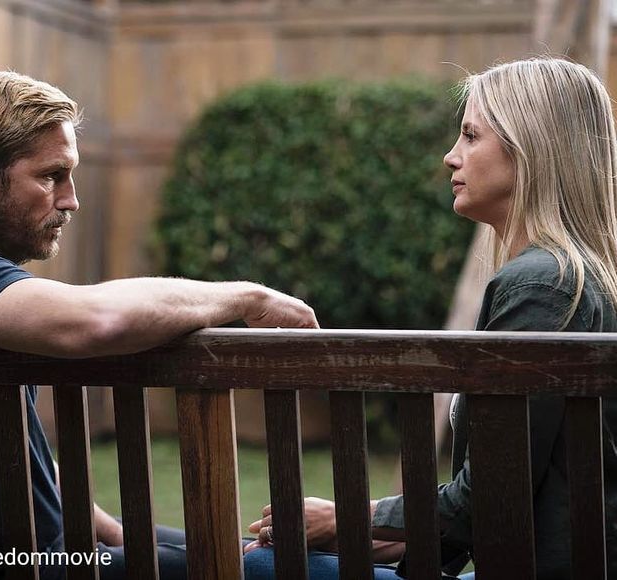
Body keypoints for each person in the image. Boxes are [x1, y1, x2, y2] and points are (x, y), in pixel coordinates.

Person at [0, 70, 319, 580]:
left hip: (46, 554)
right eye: (51, 176)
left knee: (265, 551)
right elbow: (97, 320)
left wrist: (116, 533)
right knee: (269, 564)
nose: (71, 200)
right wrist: (249, 297)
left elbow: (17, 457)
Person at [243, 57, 617, 580]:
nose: (450, 156)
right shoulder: (579, 278)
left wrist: (349, 515)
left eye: (471, 135)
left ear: (530, 149)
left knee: (260, 563)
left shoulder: (542, 286)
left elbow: (492, 496)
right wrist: (376, 537)